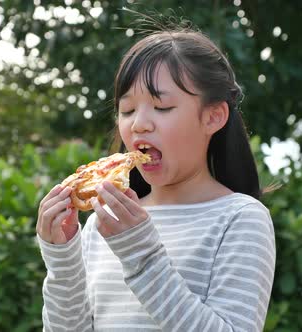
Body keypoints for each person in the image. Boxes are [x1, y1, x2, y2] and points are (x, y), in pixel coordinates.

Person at [36, 25, 277, 332]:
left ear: (212, 117)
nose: (138, 125)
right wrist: (62, 259)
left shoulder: (240, 218)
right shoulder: (103, 221)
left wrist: (140, 251)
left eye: (162, 107)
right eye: (127, 110)